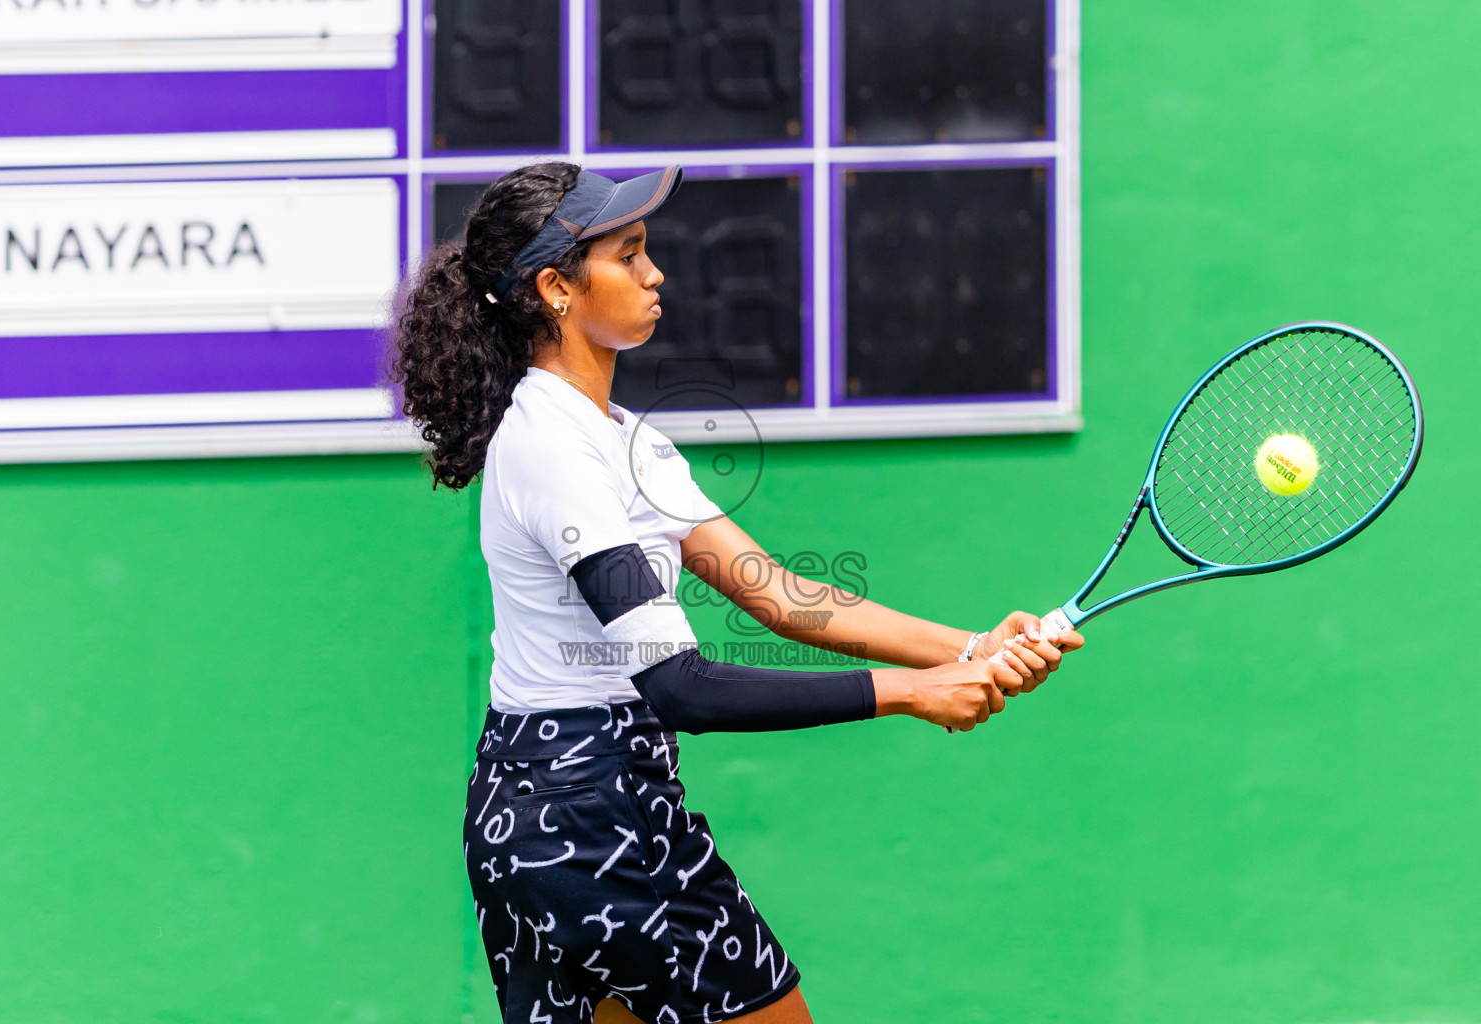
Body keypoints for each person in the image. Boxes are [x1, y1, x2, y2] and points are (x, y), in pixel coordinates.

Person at [391, 162, 1084, 1024]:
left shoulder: (624, 442)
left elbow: (779, 595)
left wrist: (971, 649)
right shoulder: (551, 448)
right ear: (556, 288)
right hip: (593, 815)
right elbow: (681, 686)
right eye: (630, 254)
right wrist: (911, 693)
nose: (656, 274)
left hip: (546, 817)